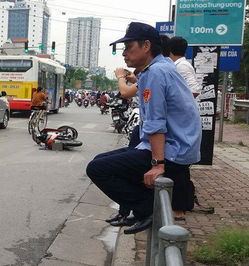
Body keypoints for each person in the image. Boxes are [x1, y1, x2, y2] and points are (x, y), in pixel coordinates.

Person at [86, 22, 201, 234]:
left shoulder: (157, 72)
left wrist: (158, 165)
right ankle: (139, 207)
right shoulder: (155, 69)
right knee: (99, 161)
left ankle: (148, 209)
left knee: (96, 170)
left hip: (173, 151)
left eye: (129, 47)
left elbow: (157, 122)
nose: (124, 54)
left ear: (146, 46)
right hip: (172, 146)